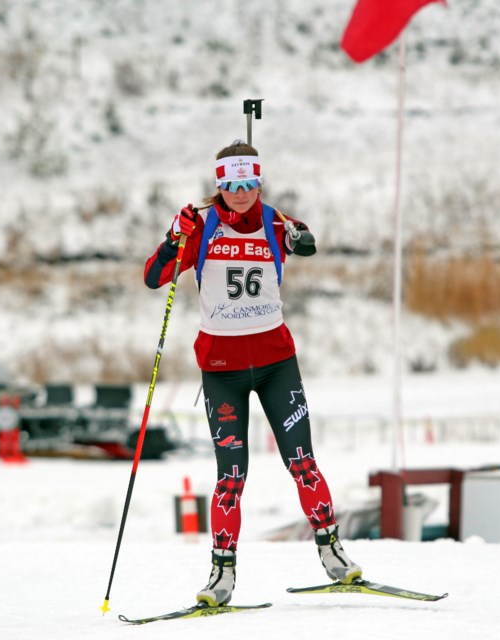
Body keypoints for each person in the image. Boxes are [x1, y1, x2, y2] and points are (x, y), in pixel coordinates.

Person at [143, 140, 362, 606]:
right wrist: (172, 239)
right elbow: (153, 277)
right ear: (218, 184)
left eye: (248, 183)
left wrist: (300, 237)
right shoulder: (200, 226)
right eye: (231, 184)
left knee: (302, 461)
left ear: (258, 181)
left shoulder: (274, 221)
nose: (241, 192)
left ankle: (332, 552)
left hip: (276, 365)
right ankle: (221, 575)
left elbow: (308, 243)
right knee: (231, 477)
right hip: (221, 370)